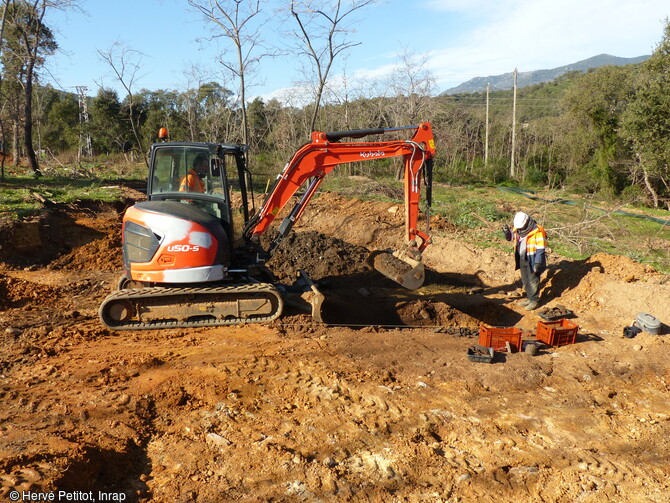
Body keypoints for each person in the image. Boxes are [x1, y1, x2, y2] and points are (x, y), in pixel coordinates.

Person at [502, 211, 547, 310]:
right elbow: (512, 238)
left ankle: (534, 301)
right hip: (522, 258)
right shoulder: (519, 229)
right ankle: (529, 298)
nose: (519, 229)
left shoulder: (538, 231)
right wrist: (507, 233)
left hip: (533, 259)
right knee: (525, 281)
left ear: (526, 222)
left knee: (533, 281)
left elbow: (541, 249)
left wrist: (538, 263)